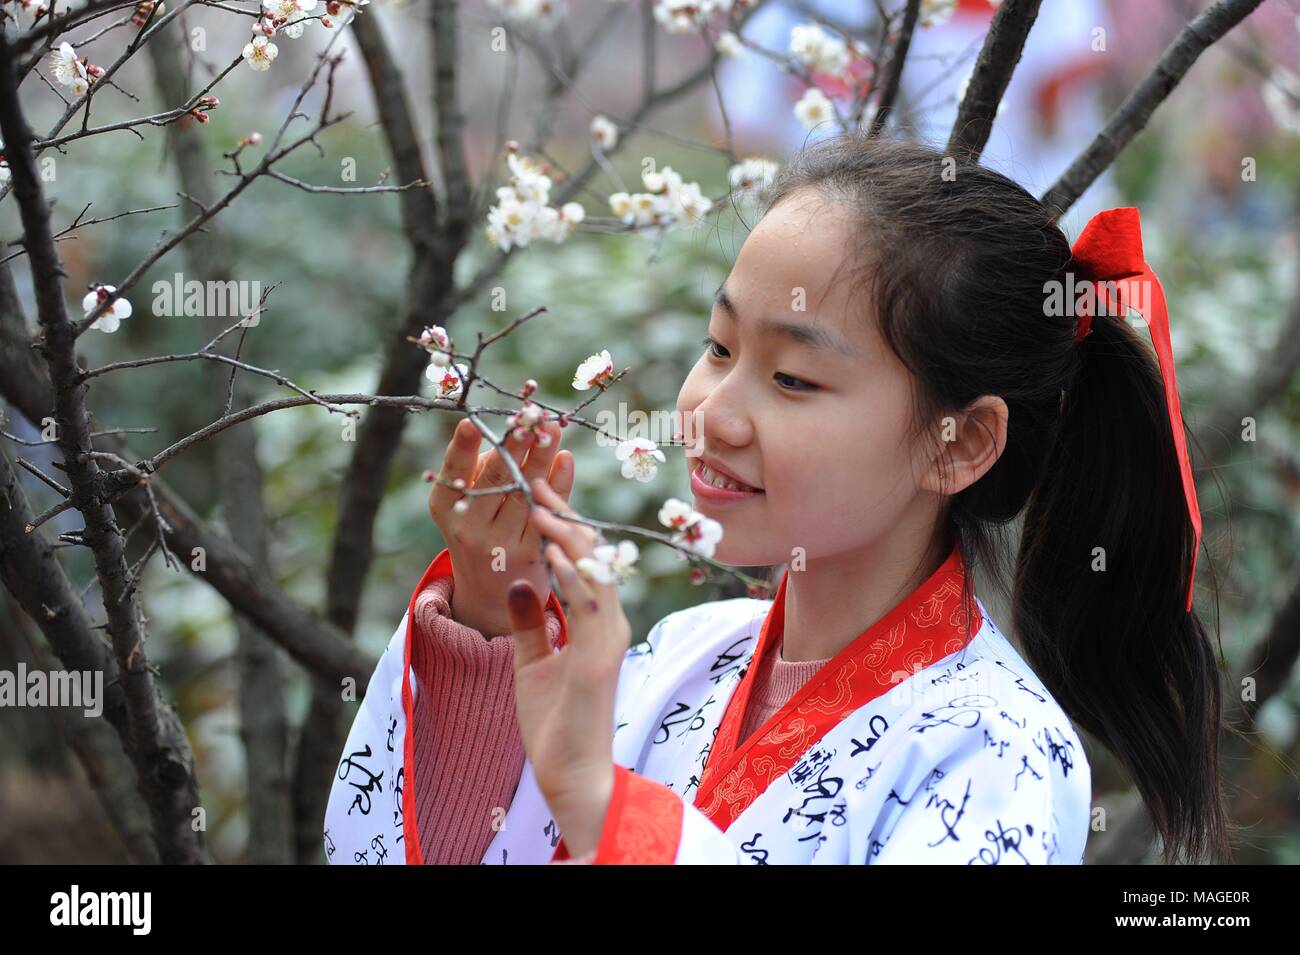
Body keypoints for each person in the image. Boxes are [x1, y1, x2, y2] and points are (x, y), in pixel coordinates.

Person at [323, 134, 1228, 865]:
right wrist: (486, 623)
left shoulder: (997, 749)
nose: (713, 413)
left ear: (962, 441)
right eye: (719, 348)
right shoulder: (688, 656)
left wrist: (604, 809)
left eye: (792, 378)